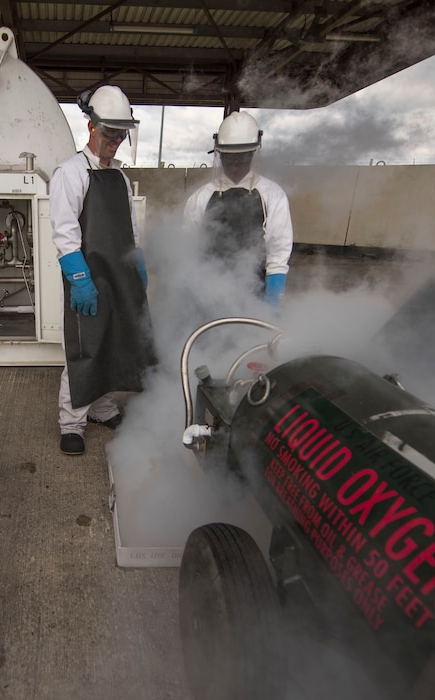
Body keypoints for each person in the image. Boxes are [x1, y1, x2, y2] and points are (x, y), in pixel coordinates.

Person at [50, 85, 157, 456]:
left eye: (121, 133)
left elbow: (131, 227)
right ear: (92, 127)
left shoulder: (121, 178)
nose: (116, 140)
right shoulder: (70, 173)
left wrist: (138, 265)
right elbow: (65, 234)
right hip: (88, 278)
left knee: (112, 342)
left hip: (118, 276)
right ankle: (72, 422)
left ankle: (103, 408)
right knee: (84, 349)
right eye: (110, 132)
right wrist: (80, 280)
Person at [183, 110, 293, 306]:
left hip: (253, 298)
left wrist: (274, 301)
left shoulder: (273, 195)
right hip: (207, 297)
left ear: (253, 153)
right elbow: (187, 249)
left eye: (241, 157)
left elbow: (278, 254)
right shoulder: (200, 197)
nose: (234, 164)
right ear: (219, 154)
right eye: (229, 157)